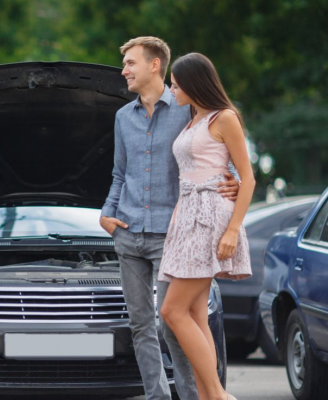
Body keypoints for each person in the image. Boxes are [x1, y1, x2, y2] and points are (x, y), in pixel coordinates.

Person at [100, 37, 240, 400]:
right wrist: (107, 213)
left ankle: (196, 396)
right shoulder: (122, 117)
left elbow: (217, 152)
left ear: (154, 65)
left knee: (174, 324)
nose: (124, 70)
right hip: (128, 232)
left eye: (130, 63)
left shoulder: (186, 108)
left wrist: (234, 185)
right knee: (141, 326)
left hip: (174, 233)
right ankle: (157, 397)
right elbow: (120, 173)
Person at [160, 52, 254, 400]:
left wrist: (232, 230)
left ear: (194, 83)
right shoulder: (191, 118)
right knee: (197, 312)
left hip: (210, 216)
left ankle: (217, 394)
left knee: (172, 310)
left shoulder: (224, 117)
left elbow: (248, 179)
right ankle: (207, 396)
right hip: (186, 216)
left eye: (176, 83)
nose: (172, 90)